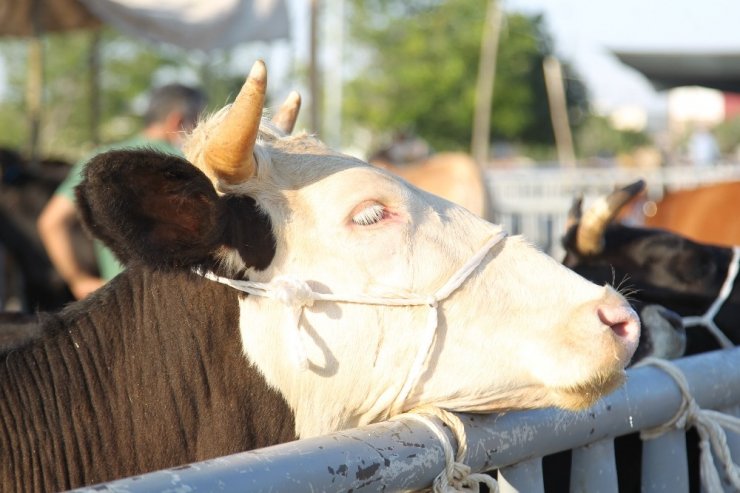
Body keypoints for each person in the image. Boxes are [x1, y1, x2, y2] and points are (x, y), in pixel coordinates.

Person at [38, 83, 207, 300]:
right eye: (199, 122)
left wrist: (78, 280)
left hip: (119, 301)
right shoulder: (191, 165)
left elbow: (50, 222)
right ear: (178, 121)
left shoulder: (99, 161)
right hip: (177, 301)